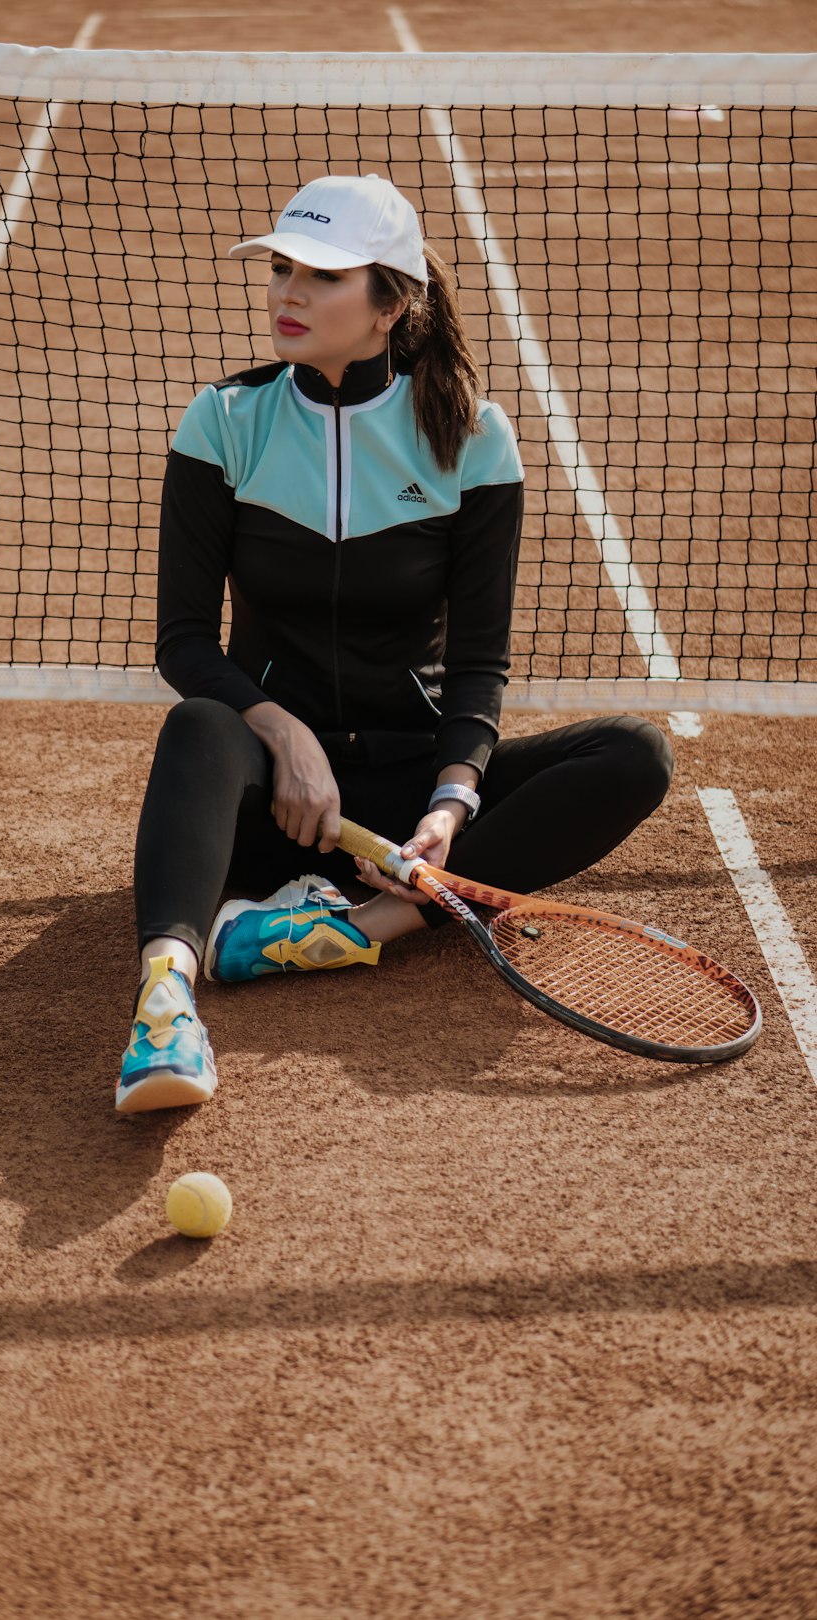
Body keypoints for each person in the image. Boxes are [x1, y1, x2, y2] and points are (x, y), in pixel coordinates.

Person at [116, 173, 673, 1114]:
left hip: (397, 814)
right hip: (273, 809)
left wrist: (449, 809)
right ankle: (166, 999)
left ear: (391, 303)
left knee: (635, 755)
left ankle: (366, 926)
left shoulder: (471, 440)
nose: (287, 292)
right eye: (282, 267)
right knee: (201, 727)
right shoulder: (223, 422)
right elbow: (183, 641)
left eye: (320, 276)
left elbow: (479, 660)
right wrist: (284, 737)